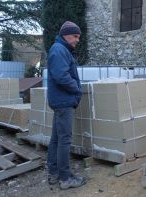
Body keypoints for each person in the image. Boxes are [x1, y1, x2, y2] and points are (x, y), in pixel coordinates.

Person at [46, 21, 86, 190]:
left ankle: (54, 174)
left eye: (79, 37)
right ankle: (65, 178)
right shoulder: (59, 49)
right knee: (64, 140)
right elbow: (61, 76)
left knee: (56, 139)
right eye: (75, 36)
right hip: (63, 101)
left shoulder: (61, 49)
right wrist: (77, 89)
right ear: (66, 35)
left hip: (61, 101)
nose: (77, 40)